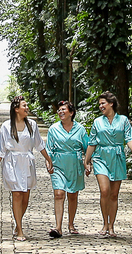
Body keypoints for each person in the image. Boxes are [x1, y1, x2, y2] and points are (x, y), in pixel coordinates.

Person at [0, 95, 54, 242]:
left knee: (25, 197)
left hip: (27, 162)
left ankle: (17, 220)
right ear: (16, 109)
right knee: (17, 195)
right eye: (24, 106)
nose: (27, 108)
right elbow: (0, 149)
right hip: (12, 162)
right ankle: (19, 229)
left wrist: (48, 159)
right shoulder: (6, 126)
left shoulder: (32, 124)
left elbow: (39, 144)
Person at [83, 91, 132, 238]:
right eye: (99, 104)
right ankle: (104, 223)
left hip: (117, 157)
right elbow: (92, 142)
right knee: (105, 190)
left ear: (111, 104)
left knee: (114, 194)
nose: (101, 106)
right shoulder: (97, 122)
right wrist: (87, 161)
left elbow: (129, 137)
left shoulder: (123, 120)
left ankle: (112, 225)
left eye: (103, 103)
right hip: (101, 157)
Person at [46, 100, 89, 238]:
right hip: (58, 163)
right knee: (59, 194)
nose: (61, 112)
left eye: (64, 109)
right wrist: (48, 161)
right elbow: (49, 148)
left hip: (74, 164)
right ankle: (58, 227)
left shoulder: (81, 129)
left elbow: (87, 147)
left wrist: (87, 162)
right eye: (59, 110)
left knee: (73, 195)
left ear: (71, 112)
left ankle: (71, 223)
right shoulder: (53, 129)